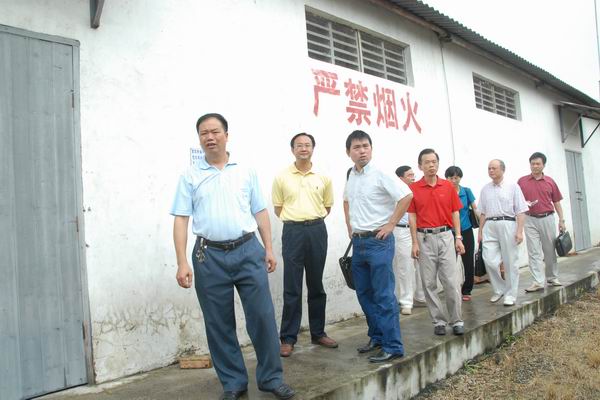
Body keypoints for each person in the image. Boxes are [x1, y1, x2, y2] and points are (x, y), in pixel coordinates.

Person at [171, 113, 295, 400]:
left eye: (215, 131)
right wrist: (181, 261)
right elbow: (181, 219)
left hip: (248, 250)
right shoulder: (190, 176)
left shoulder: (245, 171)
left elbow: (260, 211)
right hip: (208, 256)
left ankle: (271, 378)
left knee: (262, 316)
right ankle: (233, 383)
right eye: (204, 133)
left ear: (226, 135)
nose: (210, 137)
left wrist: (268, 248)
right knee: (218, 322)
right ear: (199, 139)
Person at [343, 130, 412, 363]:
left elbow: (406, 196)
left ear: (371, 149)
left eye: (366, 146)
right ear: (348, 152)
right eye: (356, 147)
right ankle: (377, 337)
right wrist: (350, 227)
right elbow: (346, 201)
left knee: (383, 295)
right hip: (359, 243)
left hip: (379, 243)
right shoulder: (351, 176)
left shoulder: (381, 173)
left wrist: (391, 224)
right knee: (364, 294)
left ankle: (393, 346)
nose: (362, 151)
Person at [272, 132, 337, 358]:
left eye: (307, 145)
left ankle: (318, 333)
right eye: (299, 145)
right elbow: (278, 208)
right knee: (292, 286)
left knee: (316, 284)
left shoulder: (323, 177)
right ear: (292, 150)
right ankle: (288, 338)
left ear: (313, 149)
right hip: (293, 231)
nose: (303, 148)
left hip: (317, 230)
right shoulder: (281, 177)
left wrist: (311, 219)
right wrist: (297, 219)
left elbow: (327, 206)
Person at [408, 149, 465, 336]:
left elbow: (455, 212)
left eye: (434, 161)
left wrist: (458, 237)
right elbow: (412, 217)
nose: (431, 165)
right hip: (424, 238)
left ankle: (457, 320)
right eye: (427, 162)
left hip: (445, 236)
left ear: (438, 164)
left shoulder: (447, 186)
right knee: (429, 282)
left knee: (451, 281)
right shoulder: (414, 189)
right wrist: (414, 242)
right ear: (420, 166)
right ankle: (438, 321)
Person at [478, 159, 528, 307]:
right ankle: (499, 288)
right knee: (489, 259)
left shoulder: (513, 187)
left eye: (494, 168)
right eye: (489, 168)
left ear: (502, 170)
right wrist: (480, 231)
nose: (491, 171)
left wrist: (519, 231)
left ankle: (510, 294)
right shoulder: (485, 189)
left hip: (508, 223)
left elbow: (521, 210)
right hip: (489, 225)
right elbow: (482, 212)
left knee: (510, 261)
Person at [518, 152, 566, 292]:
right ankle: (538, 281)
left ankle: (552, 278)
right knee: (533, 251)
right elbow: (517, 200)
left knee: (549, 250)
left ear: (543, 165)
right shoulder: (522, 181)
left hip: (547, 218)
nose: (535, 166)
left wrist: (561, 220)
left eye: (538, 164)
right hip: (529, 219)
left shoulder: (550, 181)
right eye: (532, 163)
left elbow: (556, 202)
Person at [393, 166, 426, 315]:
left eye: (413, 175)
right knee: (405, 266)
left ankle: (420, 296)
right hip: (402, 230)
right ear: (400, 178)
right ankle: (406, 301)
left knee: (423, 264)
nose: (413, 178)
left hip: (419, 229)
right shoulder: (393, 193)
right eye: (409, 175)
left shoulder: (418, 191)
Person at [444, 166, 478, 301]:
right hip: (449, 231)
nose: (454, 180)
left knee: (468, 261)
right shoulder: (443, 192)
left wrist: (483, 224)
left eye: (456, 177)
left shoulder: (466, 191)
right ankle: (452, 289)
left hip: (466, 229)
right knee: (449, 262)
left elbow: (475, 208)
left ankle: (467, 290)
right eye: (451, 178)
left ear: (460, 178)